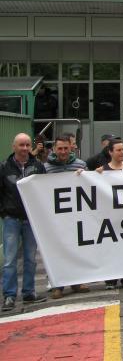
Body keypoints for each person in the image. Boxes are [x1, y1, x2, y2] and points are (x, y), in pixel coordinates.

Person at [1, 133, 47, 312]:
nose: (25, 148)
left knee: (30, 258)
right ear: (14, 147)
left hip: (30, 220)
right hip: (11, 219)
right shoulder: (4, 167)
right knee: (10, 259)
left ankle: (29, 292)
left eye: (28, 145)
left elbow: (44, 191)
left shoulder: (38, 166)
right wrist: (4, 213)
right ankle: (9, 296)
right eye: (21, 145)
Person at [44, 135, 91, 298]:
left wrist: (85, 175)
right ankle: (58, 284)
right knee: (56, 250)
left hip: (75, 216)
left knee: (77, 247)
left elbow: (90, 185)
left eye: (66, 148)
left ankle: (78, 281)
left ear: (71, 148)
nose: (63, 151)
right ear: (54, 149)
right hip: (55, 218)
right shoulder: (46, 168)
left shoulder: (81, 165)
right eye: (60, 148)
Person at [93, 139, 123, 289]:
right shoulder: (102, 171)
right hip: (110, 217)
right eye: (118, 150)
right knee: (111, 249)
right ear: (110, 152)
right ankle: (111, 280)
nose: (122, 153)